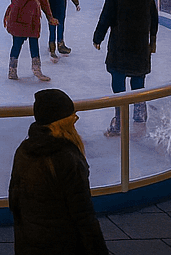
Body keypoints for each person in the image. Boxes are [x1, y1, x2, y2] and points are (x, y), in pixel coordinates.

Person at [7, 89, 109, 255]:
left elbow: (15, 201)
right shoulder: (66, 157)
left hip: (30, 242)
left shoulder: (24, 150)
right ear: (62, 121)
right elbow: (83, 214)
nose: (75, 120)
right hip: (64, 244)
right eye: (73, 117)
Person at [92, 0, 158, 136]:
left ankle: (119, 120)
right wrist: (152, 42)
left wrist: (98, 37)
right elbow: (154, 22)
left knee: (118, 84)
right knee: (138, 81)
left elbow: (105, 19)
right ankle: (139, 113)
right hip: (140, 48)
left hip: (120, 48)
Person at [6, 0, 58, 83]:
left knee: (34, 43)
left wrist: (49, 16)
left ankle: (37, 69)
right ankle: (12, 69)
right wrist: (13, 18)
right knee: (17, 44)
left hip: (33, 19)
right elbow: (17, 1)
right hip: (20, 19)